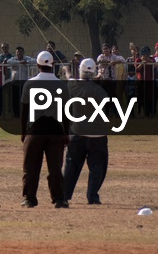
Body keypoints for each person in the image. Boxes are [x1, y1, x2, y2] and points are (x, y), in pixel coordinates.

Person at [20, 50, 69, 208]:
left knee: (31, 167)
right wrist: (66, 133)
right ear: (53, 65)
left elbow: (24, 111)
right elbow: (65, 112)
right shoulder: (61, 84)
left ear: (37, 65)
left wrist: (23, 132)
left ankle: (29, 198)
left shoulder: (30, 83)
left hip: (35, 129)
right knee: (55, 167)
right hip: (55, 130)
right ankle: (59, 199)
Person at [63, 57, 109, 206]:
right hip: (97, 134)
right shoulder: (99, 90)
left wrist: (66, 70)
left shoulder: (73, 86)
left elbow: (70, 78)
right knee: (97, 166)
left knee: (72, 165)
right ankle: (93, 196)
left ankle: (64, 195)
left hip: (77, 131)